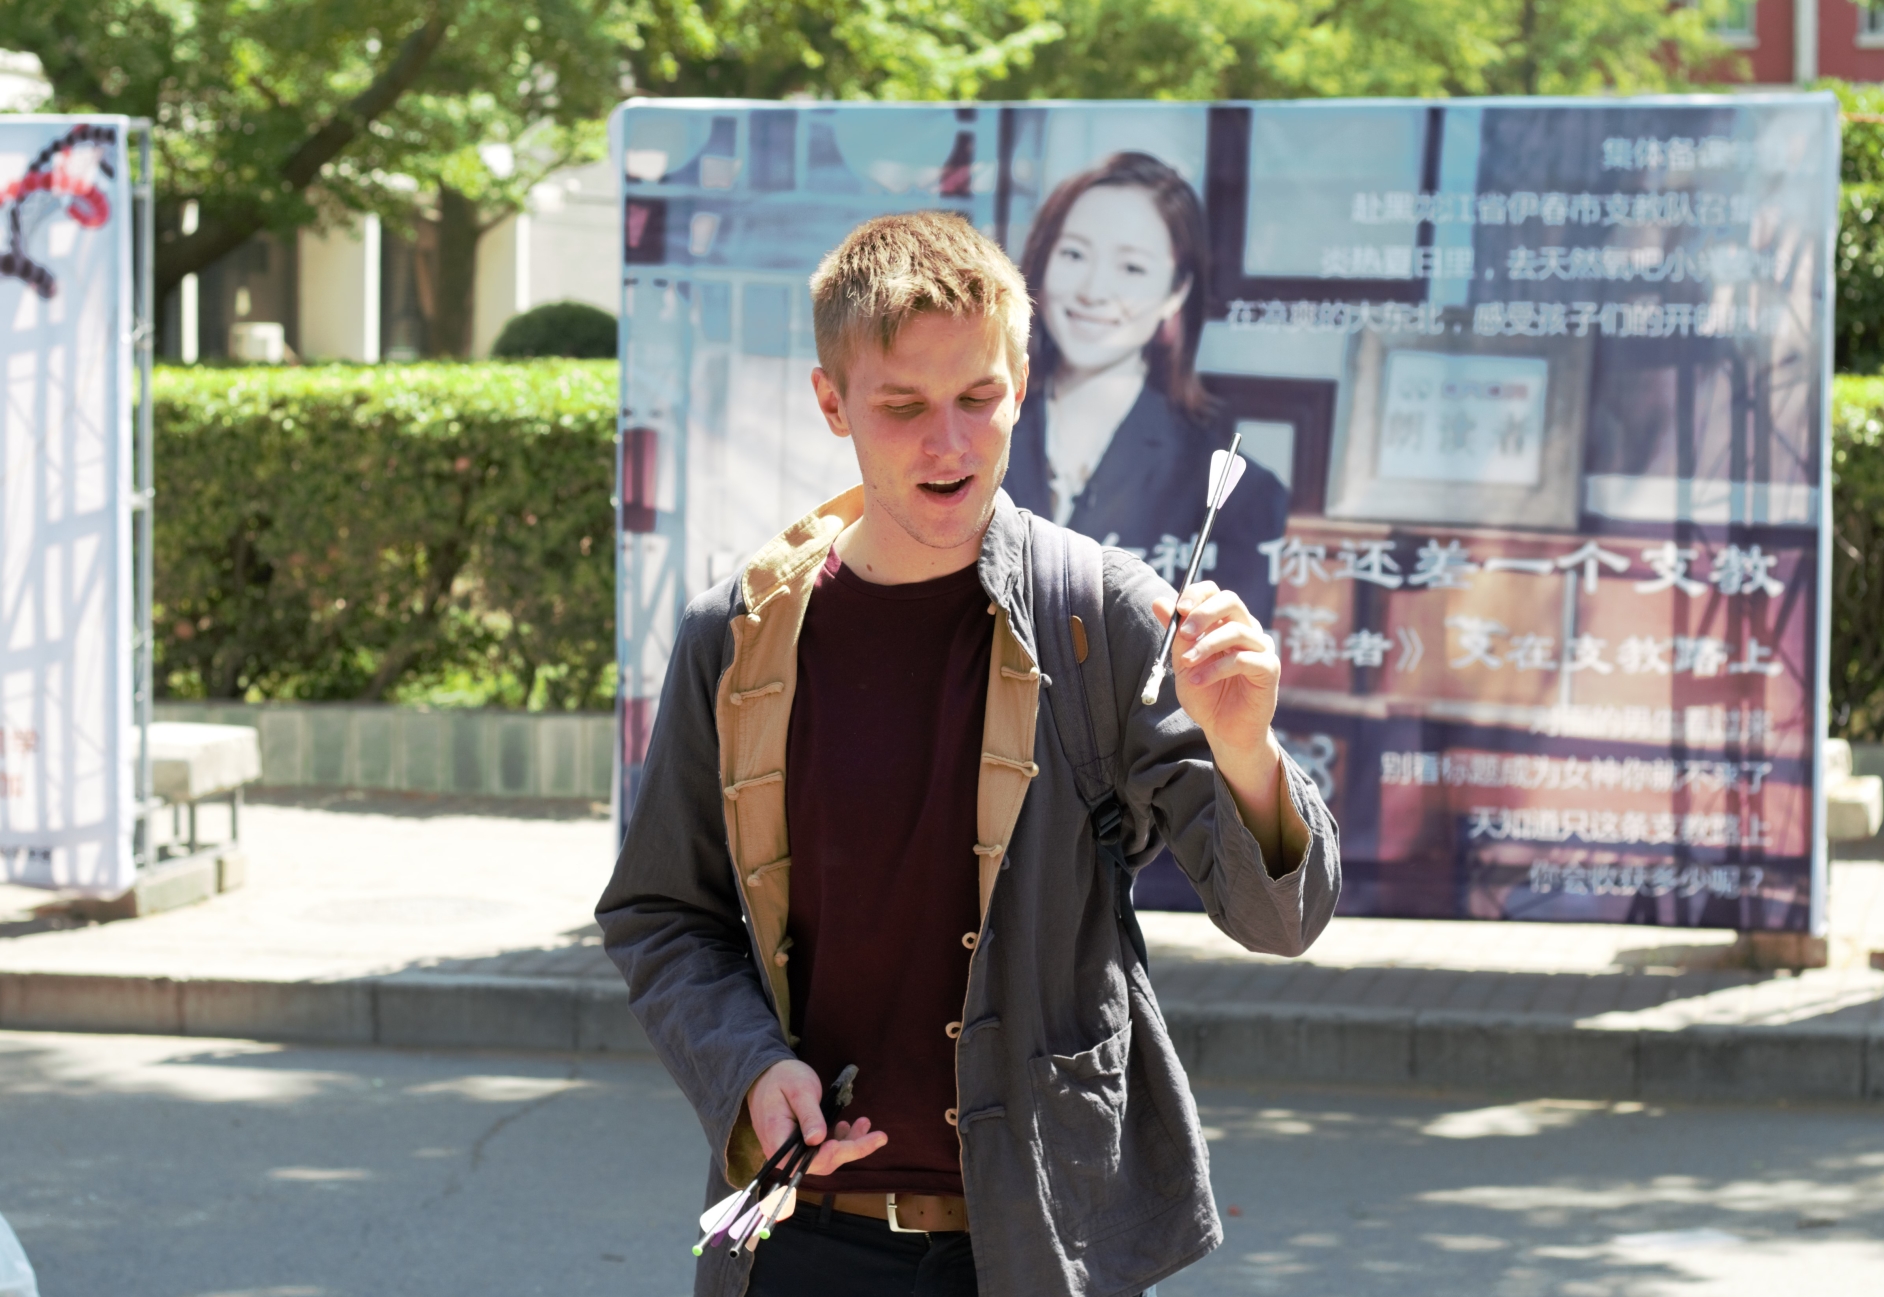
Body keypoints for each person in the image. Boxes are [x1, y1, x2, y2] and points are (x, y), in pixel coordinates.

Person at [596, 210, 1339, 1297]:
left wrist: (1245, 749)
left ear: (1022, 385)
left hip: (1043, 1238)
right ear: (832, 402)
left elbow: (1284, 918)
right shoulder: (741, 634)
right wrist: (747, 1070)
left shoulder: (1100, 614)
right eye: (902, 406)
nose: (947, 443)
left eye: (978, 398)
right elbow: (662, 915)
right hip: (800, 1238)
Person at [1003, 151, 1291, 625]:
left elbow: (1220, 661)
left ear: (1176, 292)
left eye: (1132, 268)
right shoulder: (968, 436)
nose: (1093, 290)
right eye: (1073, 254)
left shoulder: (1237, 493)